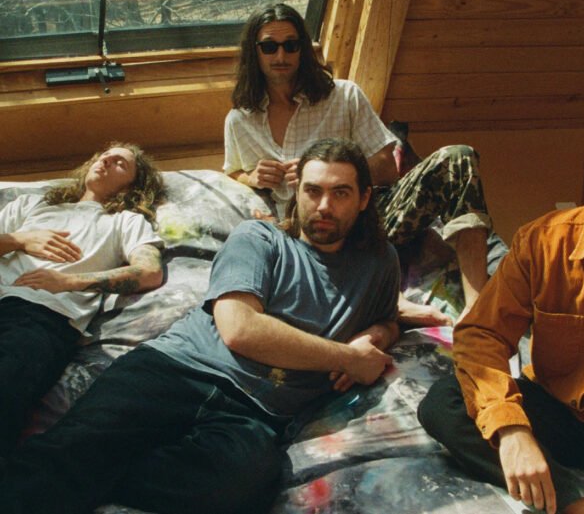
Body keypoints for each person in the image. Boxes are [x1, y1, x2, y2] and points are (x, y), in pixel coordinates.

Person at [0, 138, 401, 514]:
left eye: (340, 193)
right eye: (313, 191)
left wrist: (379, 334)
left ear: (365, 198)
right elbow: (240, 330)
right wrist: (348, 357)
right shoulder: (259, 237)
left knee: (243, 485)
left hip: (258, 409)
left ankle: (95, 473)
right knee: (66, 455)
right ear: (297, 193)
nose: (324, 206)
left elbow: (389, 316)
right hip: (176, 368)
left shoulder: (381, 262)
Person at [224, 2, 492, 322]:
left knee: (457, 157)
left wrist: (334, 173)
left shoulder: (344, 96)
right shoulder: (240, 120)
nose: (281, 56)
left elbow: (387, 168)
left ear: (303, 49)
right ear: (254, 51)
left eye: (290, 45)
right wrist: (251, 177)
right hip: (309, 233)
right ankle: (391, 305)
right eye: (269, 47)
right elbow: (232, 172)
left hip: (370, 213)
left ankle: (478, 309)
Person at [0, 142, 166, 458]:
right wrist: (19, 239)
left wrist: (68, 282)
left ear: (133, 185)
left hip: (39, 316)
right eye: (105, 155)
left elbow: (149, 272)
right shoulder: (32, 205)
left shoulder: (124, 221)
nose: (107, 159)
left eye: (121, 163)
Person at [418, 206, 584, 514]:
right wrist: (511, 428)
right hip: (563, 415)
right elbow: (481, 333)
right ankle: (569, 500)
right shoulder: (545, 240)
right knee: (445, 402)